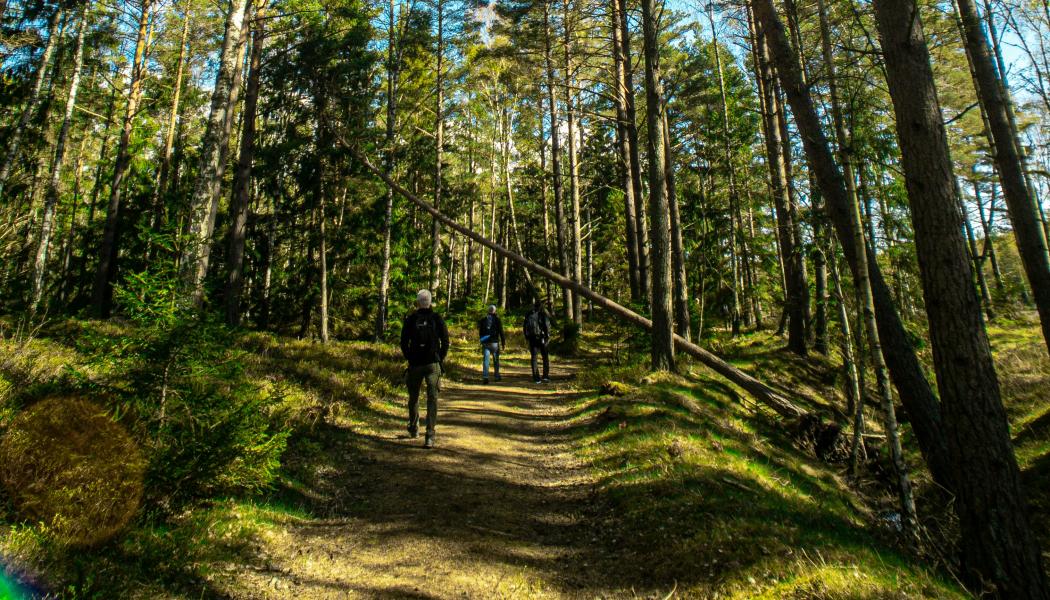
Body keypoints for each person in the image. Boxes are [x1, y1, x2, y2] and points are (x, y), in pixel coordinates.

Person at [399, 290, 450, 449]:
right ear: (430, 302)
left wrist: (410, 357)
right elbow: (446, 341)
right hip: (432, 364)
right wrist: (439, 358)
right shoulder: (437, 318)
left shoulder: (411, 319)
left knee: (413, 398)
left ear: (418, 302)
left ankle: (414, 429)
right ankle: (430, 434)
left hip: (415, 364)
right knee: (432, 398)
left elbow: (403, 341)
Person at [523, 300, 551, 384]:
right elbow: (547, 326)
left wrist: (527, 337)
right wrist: (547, 336)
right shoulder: (542, 314)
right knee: (545, 357)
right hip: (542, 338)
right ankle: (545, 376)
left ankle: (536, 377)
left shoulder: (528, 314)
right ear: (541, 306)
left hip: (532, 338)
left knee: (534, 357)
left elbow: (524, 326)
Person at [478, 305, 505, 384]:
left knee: (486, 360)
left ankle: (485, 377)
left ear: (488, 311)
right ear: (494, 311)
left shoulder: (483, 320)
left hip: (486, 342)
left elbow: (480, 332)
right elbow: (501, 332)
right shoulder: (497, 320)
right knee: (496, 360)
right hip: (495, 343)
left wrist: (481, 340)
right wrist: (503, 342)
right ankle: (496, 376)